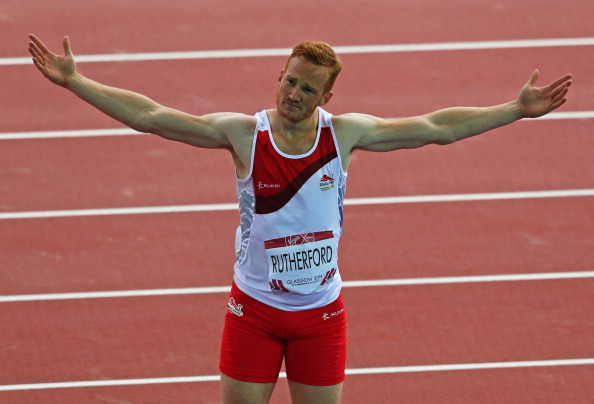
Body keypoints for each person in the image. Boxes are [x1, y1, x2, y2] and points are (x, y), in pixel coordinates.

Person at [28, 34, 572, 404]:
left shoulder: (343, 136)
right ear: (280, 75)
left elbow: (436, 128)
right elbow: (152, 118)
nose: (294, 94)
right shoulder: (245, 134)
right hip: (253, 311)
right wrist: (76, 82)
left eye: (308, 88)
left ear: (326, 95)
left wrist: (514, 110)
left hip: (320, 315)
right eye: (290, 81)